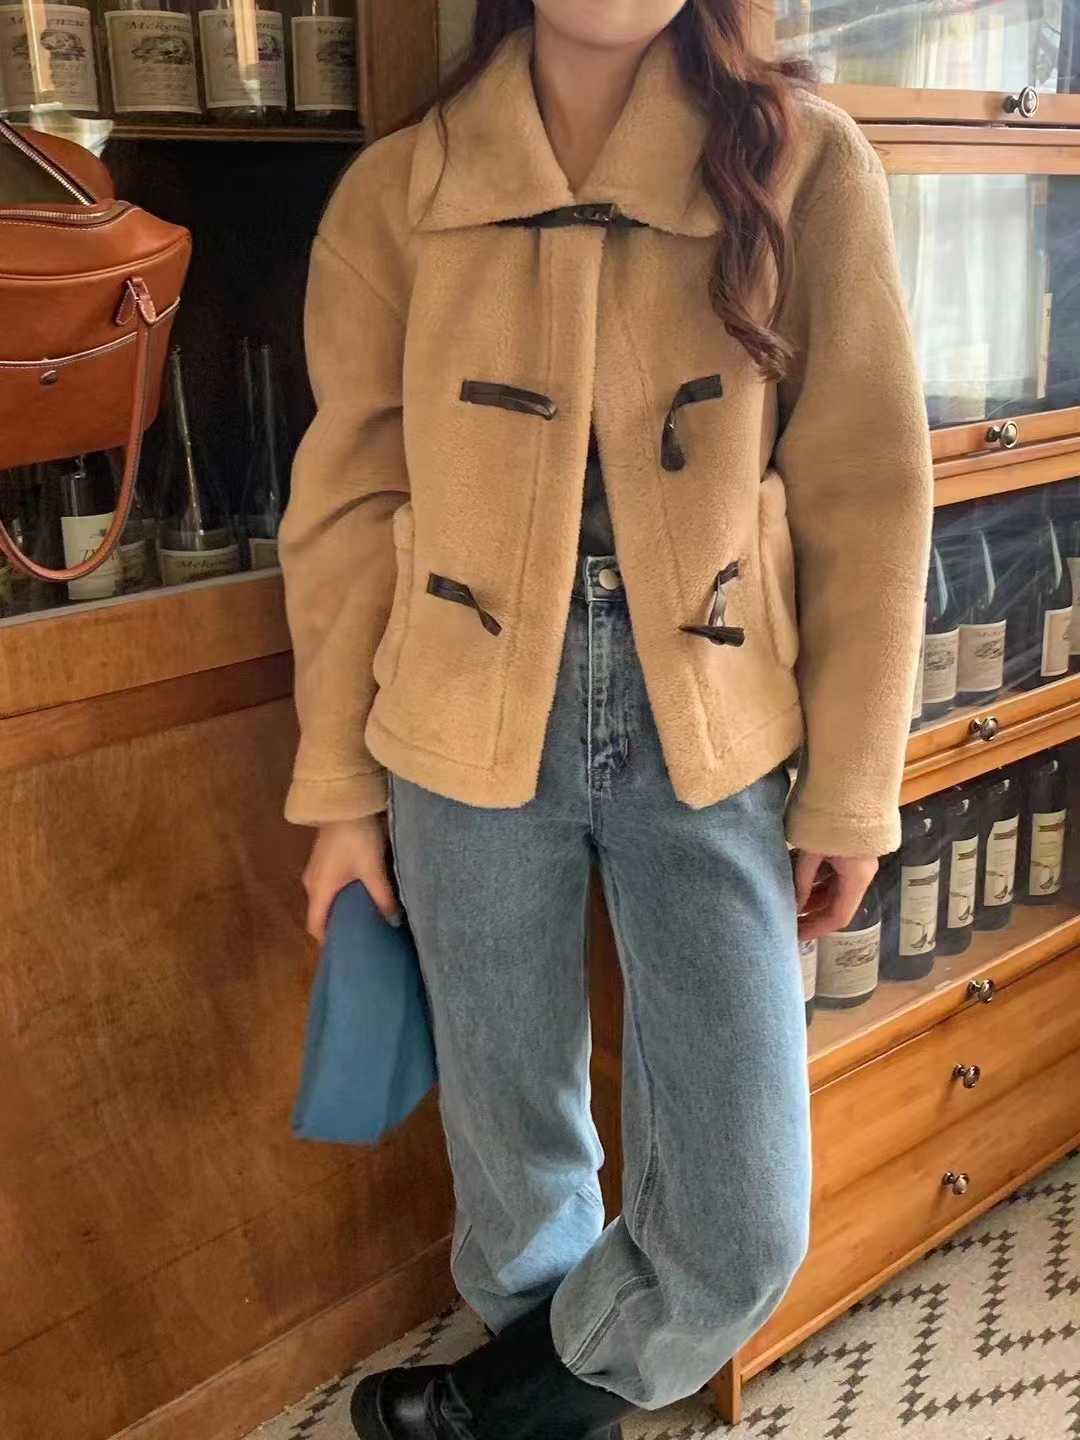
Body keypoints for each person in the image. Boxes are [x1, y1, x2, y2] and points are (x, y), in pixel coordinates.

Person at [278, 0, 933, 1434]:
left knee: (744, 1218)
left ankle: (484, 1414)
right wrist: (339, 796)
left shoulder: (804, 164)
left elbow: (869, 491)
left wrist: (851, 789)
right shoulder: (401, 191)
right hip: (456, 724)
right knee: (514, 1174)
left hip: (714, 716)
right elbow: (344, 514)